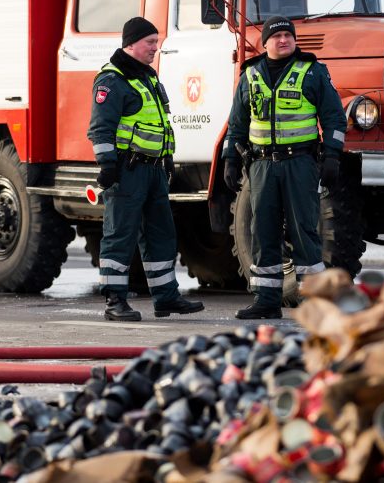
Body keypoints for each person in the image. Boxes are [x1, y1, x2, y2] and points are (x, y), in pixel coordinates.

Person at [223, 16, 347, 319]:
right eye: (276, 36)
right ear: (265, 43)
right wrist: (230, 158)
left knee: (304, 230)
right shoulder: (250, 76)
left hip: (300, 164)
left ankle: (313, 301)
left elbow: (334, 117)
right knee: (262, 229)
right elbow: (237, 123)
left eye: (288, 36)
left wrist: (332, 155)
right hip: (262, 165)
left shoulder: (312, 72)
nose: (283, 40)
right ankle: (266, 300)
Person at [87, 17, 205, 321]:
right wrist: (107, 165)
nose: (156, 48)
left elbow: (159, 124)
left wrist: (166, 159)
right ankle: (115, 301)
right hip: (128, 171)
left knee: (161, 234)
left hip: (153, 170)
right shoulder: (112, 80)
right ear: (131, 43)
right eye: (150, 42)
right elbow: (101, 129)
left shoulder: (147, 77)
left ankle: (166, 298)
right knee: (120, 234)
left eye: (156, 42)